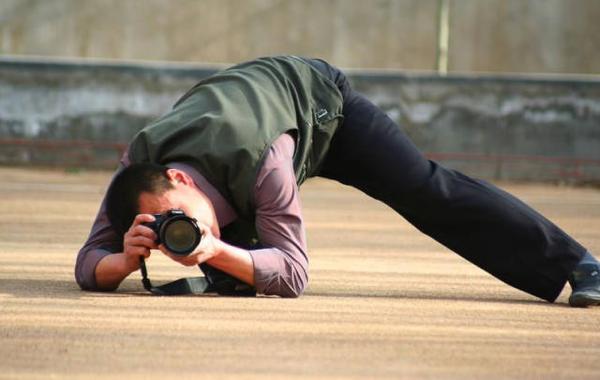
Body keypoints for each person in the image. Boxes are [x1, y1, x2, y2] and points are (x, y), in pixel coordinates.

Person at [75, 56, 600, 306]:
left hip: (322, 106)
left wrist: (213, 250)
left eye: (177, 218)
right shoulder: (136, 170)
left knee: (424, 188)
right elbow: (87, 260)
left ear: (178, 178)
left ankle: (580, 263)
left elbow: (295, 273)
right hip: (245, 118)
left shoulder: (263, 161)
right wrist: (121, 262)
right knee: (238, 259)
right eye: (162, 227)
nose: (176, 231)